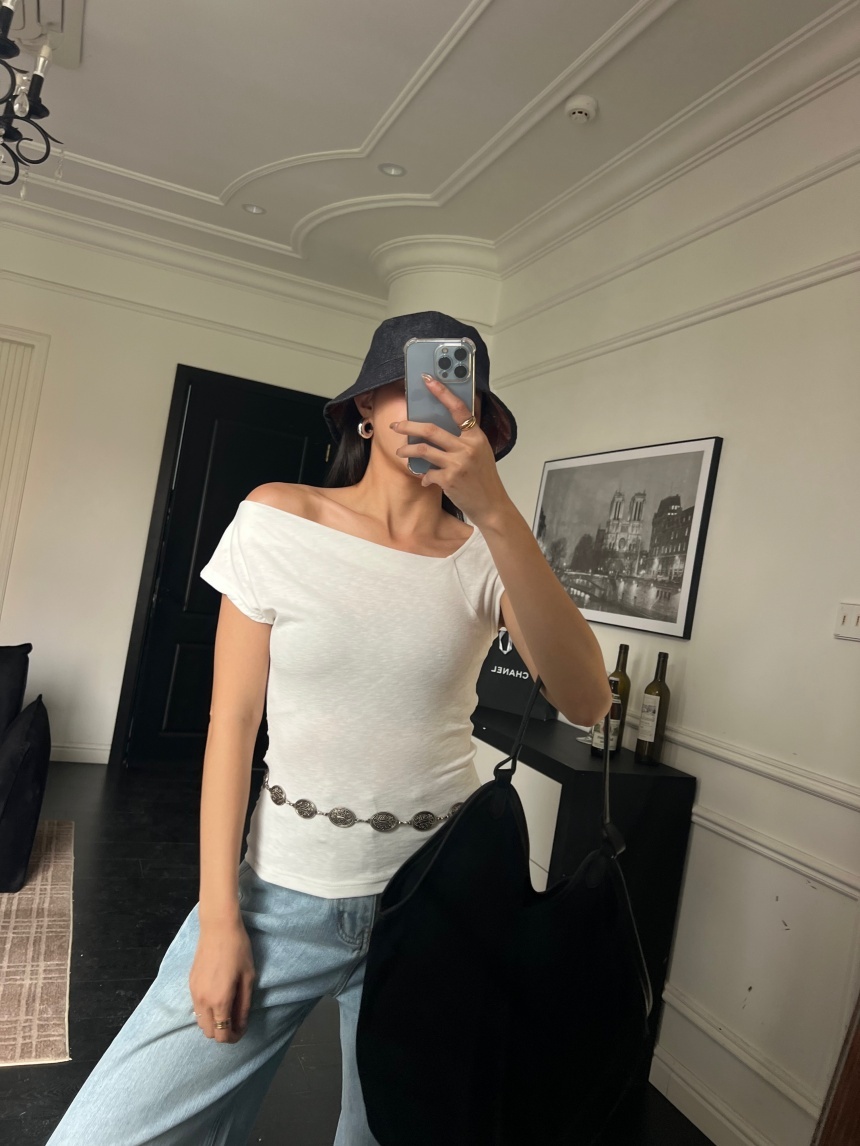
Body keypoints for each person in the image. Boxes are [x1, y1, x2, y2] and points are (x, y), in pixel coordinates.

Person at [47, 311, 612, 1146]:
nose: (430, 404)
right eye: (409, 384)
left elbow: (588, 700)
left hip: (438, 898)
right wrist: (220, 919)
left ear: (478, 421)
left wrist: (496, 513)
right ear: (364, 408)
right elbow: (232, 722)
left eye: (452, 390)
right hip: (282, 893)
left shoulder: (487, 555)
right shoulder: (277, 517)